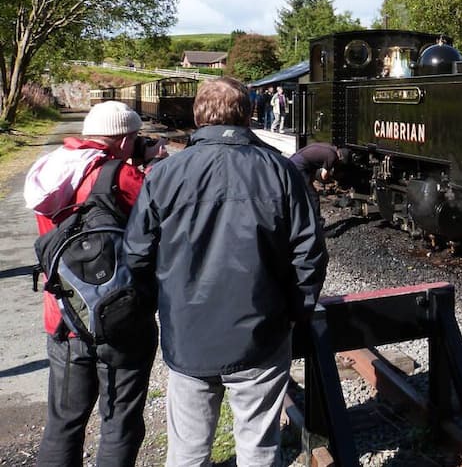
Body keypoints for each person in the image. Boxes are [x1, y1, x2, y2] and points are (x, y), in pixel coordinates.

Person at [124, 77, 328, 465]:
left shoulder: (165, 175)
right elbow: (309, 253)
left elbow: (136, 256)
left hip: (187, 336)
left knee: (187, 450)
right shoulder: (281, 172)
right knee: (258, 448)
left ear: (198, 115)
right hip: (261, 335)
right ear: (248, 113)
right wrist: (294, 314)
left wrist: (163, 309)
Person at [23, 101, 164, 466]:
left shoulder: (48, 170)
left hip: (65, 317)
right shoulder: (121, 176)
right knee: (119, 421)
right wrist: (147, 169)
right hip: (120, 318)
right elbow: (156, 229)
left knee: (64, 422)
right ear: (122, 139)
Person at [289, 142, 344, 219]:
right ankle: (317, 223)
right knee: (313, 196)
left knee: (301, 191)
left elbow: (314, 163)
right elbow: (324, 176)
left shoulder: (331, 148)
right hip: (299, 166)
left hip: (294, 160)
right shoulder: (332, 156)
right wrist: (332, 180)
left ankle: (300, 216)